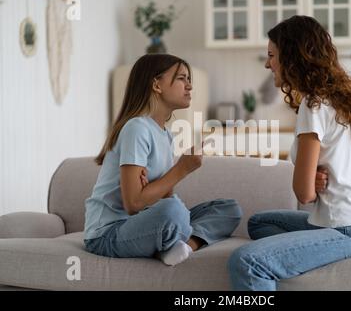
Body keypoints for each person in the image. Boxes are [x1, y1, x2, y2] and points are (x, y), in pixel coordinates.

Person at [228, 15, 351, 291]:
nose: (267, 64)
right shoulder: (333, 99)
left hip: (348, 230)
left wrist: (310, 180)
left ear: (292, 58)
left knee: (246, 261)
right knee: (260, 223)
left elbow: (304, 195)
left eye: (272, 56)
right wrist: (312, 177)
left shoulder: (312, 106)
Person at [84, 54, 242, 266]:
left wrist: (155, 192)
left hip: (144, 223)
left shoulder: (165, 134)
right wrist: (183, 169)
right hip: (108, 234)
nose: (189, 86)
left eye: (189, 80)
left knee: (229, 209)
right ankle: (173, 243)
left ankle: (184, 246)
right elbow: (134, 204)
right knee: (174, 211)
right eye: (181, 78)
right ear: (157, 85)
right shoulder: (136, 128)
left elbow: (162, 198)